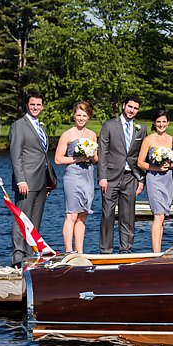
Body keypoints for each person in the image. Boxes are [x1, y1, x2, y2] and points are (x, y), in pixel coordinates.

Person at [8, 92, 56, 266]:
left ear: (42, 106)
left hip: (41, 180)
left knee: (35, 221)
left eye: (39, 104)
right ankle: (18, 257)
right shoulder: (19, 126)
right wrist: (21, 180)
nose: (36, 107)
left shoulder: (40, 126)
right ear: (27, 105)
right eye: (32, 104)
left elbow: (42, 154)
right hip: (26, 182)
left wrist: (48, 181)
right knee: (22, 219)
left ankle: (30, 256)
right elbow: (16, 155)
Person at [97, 96, 147, 253]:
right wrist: (102, 177)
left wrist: (141, 178)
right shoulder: (110, 125)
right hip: (110, 177)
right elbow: (103, 152)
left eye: (135, 108)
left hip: (130, 176)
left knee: (128, 216)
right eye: (130, 107)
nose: (132, 110)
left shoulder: (141, 129)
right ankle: (105, 250)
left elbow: (141, 155)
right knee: (107, 214)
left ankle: (126, 249)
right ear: (124, 106)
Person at [54, 101, 99, 254]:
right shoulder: (67, 134)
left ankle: (79, 252)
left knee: (83, 215)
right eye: (78, 115)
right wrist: (77, 159)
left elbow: (96, 159)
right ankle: (68, 251)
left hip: (88, 175)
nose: (81, 118)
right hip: (73, 176)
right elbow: (58, 159)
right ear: (74, 115)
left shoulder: (92, 135)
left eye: (84, 115)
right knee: (72, 214)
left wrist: (91, 155)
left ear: (89, 117)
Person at [136, 109, 173, 252]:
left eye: (164, 121)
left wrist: (169, 165)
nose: (161, 124)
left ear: (168, 123)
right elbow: (140, 162)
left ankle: (159, 249)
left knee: (163, 215)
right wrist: (155, 167)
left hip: (168, 180)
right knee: (158, 215)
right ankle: (156, 252)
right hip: (154, 179)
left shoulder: (172, 139)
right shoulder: (149, 140)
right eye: (158, 122)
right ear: (154, 123)